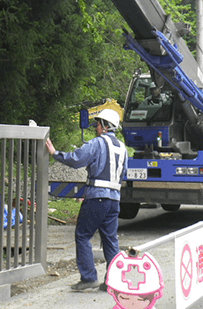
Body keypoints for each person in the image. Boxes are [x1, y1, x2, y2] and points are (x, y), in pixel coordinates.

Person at [45, 108, 127, 291]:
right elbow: (125, 174)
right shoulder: (122, 148)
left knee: (83, 235)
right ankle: (113, 281)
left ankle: (89, 278)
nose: (96, 127)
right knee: (110, 240)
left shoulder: (97, 143)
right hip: (114, 200)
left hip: (96, 197)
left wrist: (55, 153)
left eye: (98, 123)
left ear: (106, 126)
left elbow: (77, 159)